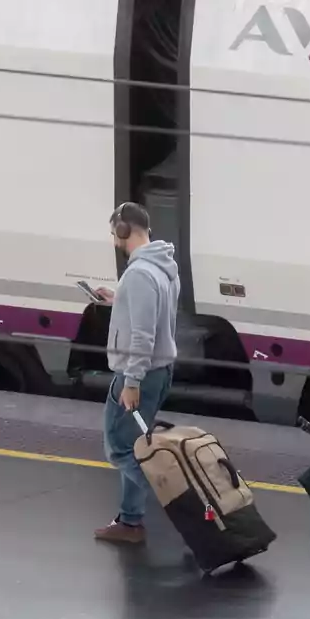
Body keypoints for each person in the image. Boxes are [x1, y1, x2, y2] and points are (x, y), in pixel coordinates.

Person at [93, 202, 180, 544]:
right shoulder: (162, 267)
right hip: (158, 369)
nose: (115, 239)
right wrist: (119, 299)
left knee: (119, 449)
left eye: (116, 232)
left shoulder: (141, 273)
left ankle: (185, 511)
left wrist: (131, 382)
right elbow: (151, 315)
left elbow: (143, 334)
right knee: (135, 446)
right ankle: (130, 522)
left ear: (124, 229)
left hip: (140, 372)